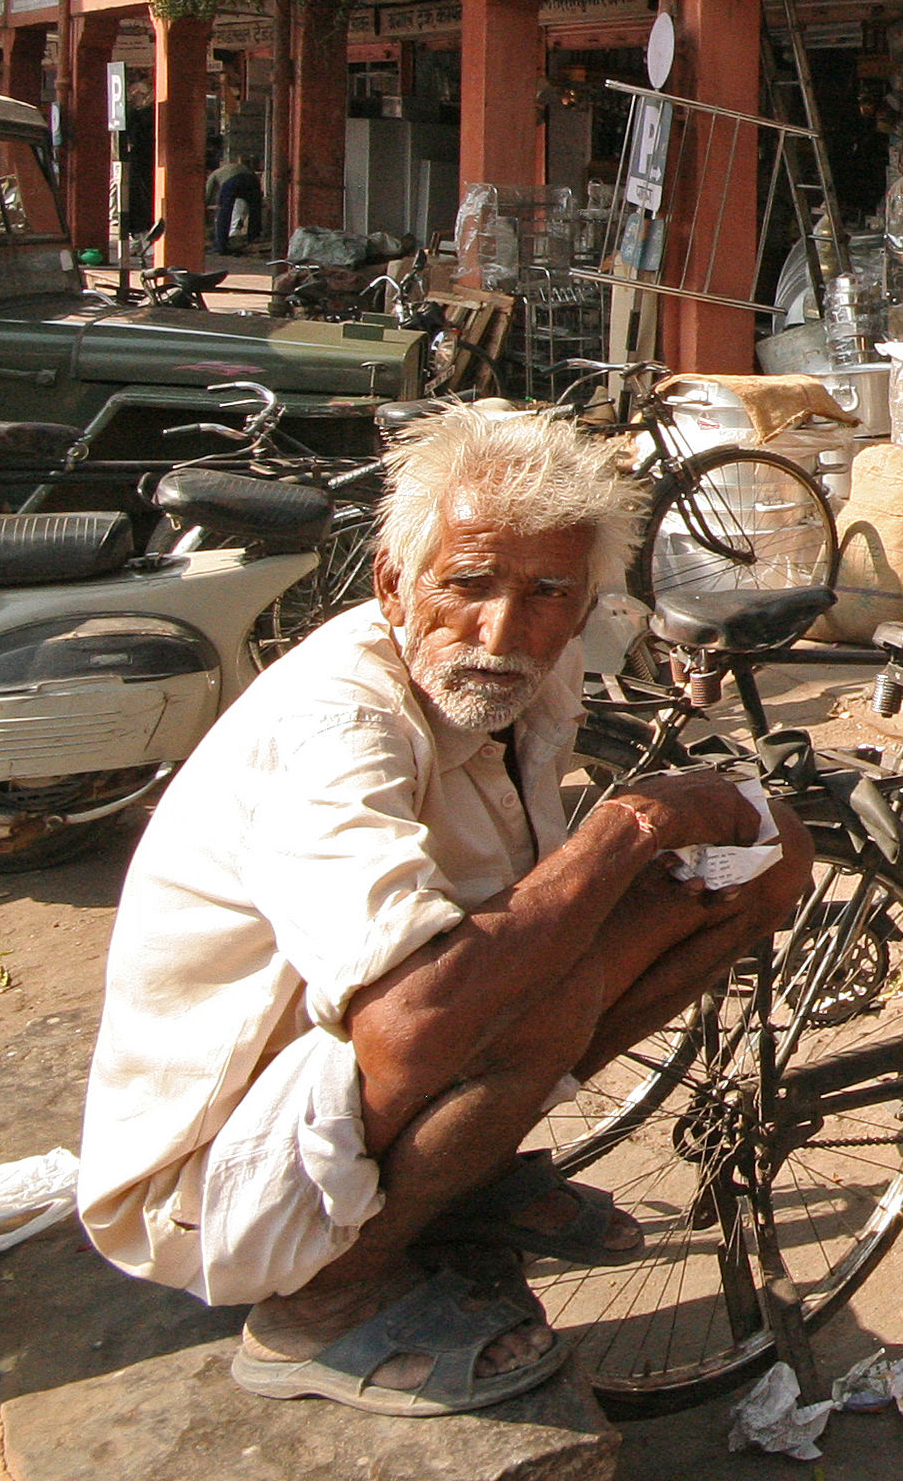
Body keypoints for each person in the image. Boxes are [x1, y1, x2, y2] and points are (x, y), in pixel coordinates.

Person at [78, 406, 811, 1417]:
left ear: (583, 606)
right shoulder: (338, 722)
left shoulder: (534, 671)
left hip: (342, 1082)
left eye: (547, 594)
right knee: (537, 997)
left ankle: (454, 1182)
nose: (502, 633)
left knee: (762, 869)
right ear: (394, 584)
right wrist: (629, 828)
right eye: (467, 584)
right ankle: (318, 1307)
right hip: (214, 1175)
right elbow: (413, 1021)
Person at [213, 154, 265, 255]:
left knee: (225, 213)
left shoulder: (215, 174)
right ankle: (253, 239)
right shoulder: (239, 167)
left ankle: (221, 246)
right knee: (255, 210)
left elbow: (207, 192)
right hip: (252, 180)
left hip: (232, 181)